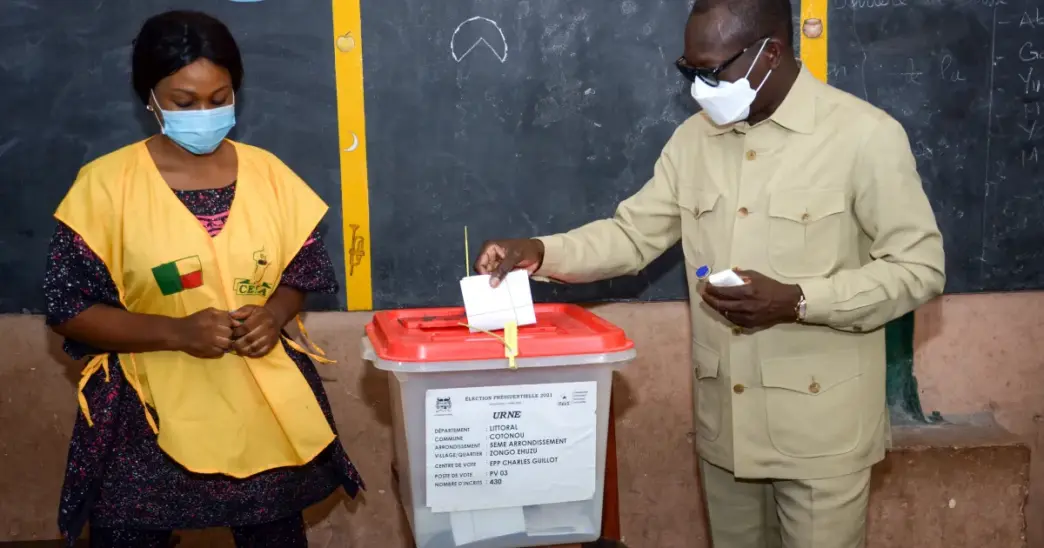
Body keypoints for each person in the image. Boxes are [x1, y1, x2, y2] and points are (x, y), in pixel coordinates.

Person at [474, 0, 945, 545]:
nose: (700, 88)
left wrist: (798, 300)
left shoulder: (863, 136)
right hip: (728, 428)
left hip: (821, 435)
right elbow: (632, 235)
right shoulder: (694, 140)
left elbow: (919, 268)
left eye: (713, 71)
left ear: (770, 53)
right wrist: (540, 252)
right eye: (689, 70)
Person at [44, 11, 363, 547]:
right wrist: (177, 332)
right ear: (149, 98)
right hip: (145, 419)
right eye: (184, 102)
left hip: (260, 405)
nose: (205, 115)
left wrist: (274, 315)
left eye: (219, 98)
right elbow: (69, 308)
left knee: (272, 531)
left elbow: (299, 271)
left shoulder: (269, 174)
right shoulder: (104, 186)